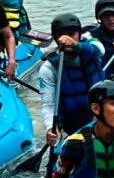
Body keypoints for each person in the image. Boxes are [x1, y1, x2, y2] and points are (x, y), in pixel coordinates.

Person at [37, 13, 106, 145]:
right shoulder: (49, 68)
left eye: (72, 34)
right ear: (56, 39)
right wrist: (50, 128)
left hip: (103, 108)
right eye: (61, 35)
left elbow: (100, 50)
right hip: (74, 117)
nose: (66, 39)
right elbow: (48, 104)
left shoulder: (92, 45)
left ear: (79, 35)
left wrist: (75, 45)